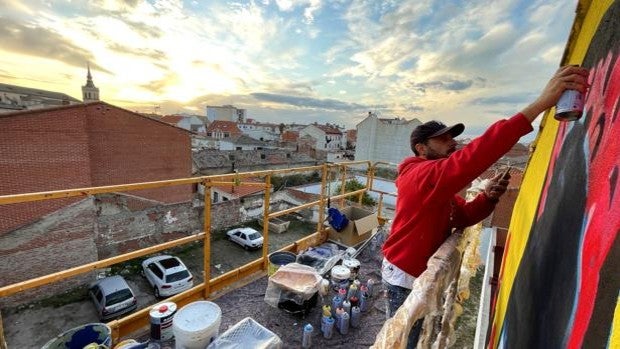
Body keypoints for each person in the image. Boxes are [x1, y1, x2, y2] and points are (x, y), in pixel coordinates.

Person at [381, 65, 589, 348]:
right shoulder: (419, 175)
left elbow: (464, 215)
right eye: (443, 138)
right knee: (404, 340)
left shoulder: (436, 185)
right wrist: (539, 105)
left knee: (413, 337)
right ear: (421, 148)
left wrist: (488, 197)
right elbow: (471, 157)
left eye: (451, 137)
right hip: (404, 276)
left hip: (417, 271)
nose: (452, 142)